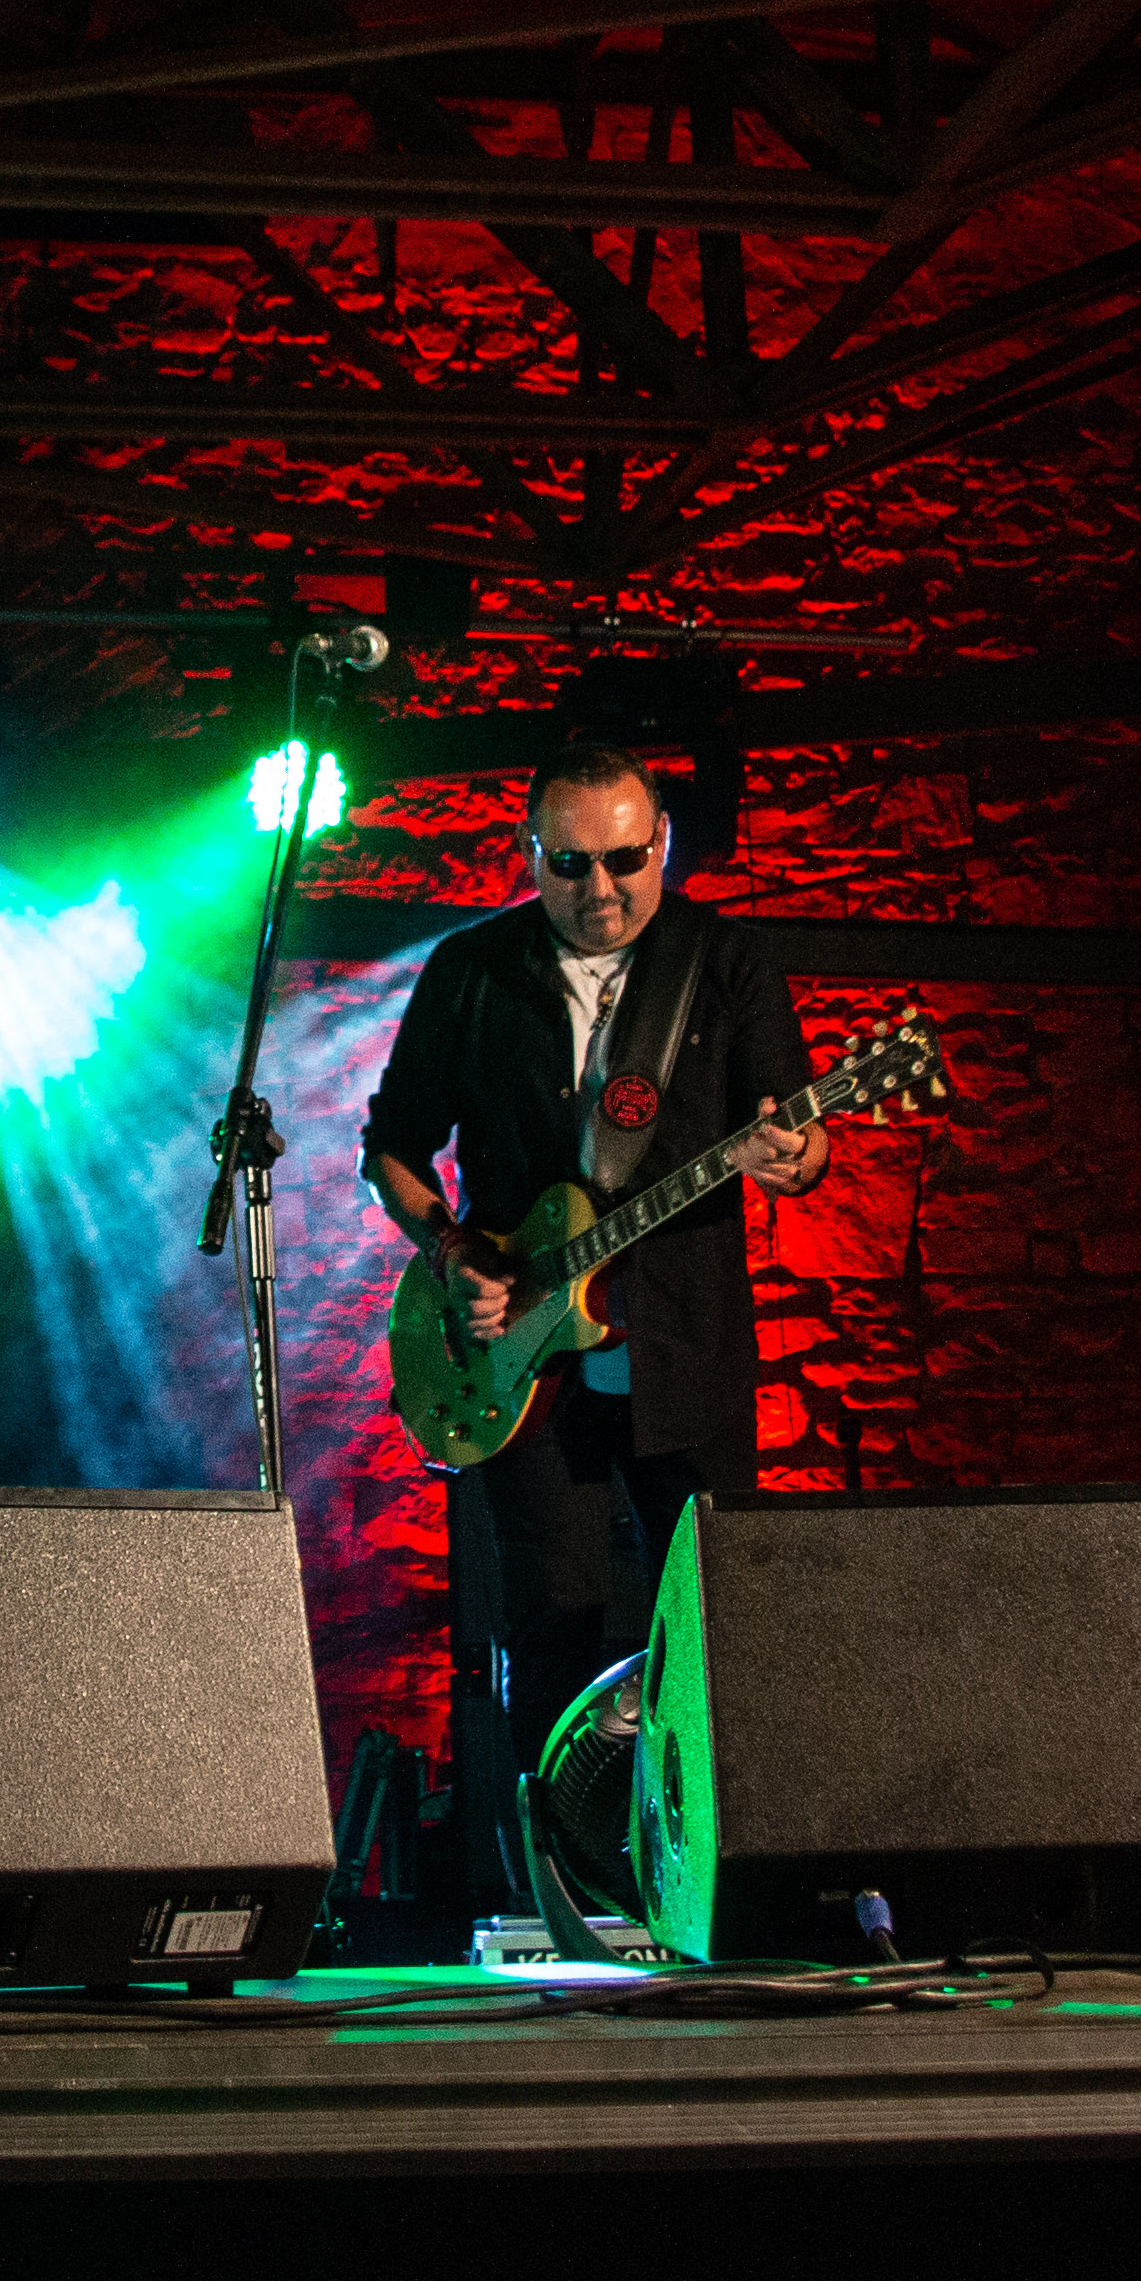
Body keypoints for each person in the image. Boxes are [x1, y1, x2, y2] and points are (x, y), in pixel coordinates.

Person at [362, 740, 824, 1913]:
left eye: (625, 859)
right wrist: (454, 1251)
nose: (601, 889)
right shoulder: (472, 971)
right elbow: (394, 1149)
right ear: (532, 855)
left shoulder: (724, 963)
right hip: (528, 1373)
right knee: (552, 1628)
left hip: (680, 1345)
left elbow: (799, 1129)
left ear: (661, 843)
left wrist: (797, 1152)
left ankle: (719, 1888)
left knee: (716, 1624)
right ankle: (561, 1892)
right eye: (571, 865)